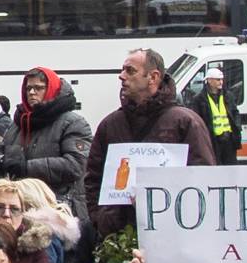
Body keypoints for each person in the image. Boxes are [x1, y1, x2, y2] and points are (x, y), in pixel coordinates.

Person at [86, 46, 216, 237]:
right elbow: (93, 178)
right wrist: (102, 219)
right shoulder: (110, 124)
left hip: (173, 233)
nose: (121, 76)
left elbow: (204, 177)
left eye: (130, 71)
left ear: (153, 77)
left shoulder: (185, 122)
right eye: (122, 70)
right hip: (117, 236)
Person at [11, 66, 94, 213]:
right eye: (28, 88)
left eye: (38, 88)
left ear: (52, 89)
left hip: (59, 209)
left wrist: (26, 167)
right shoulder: (19, 123)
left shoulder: (73, 123)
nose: (31, 92)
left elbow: (76, 165)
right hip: (22, 206)